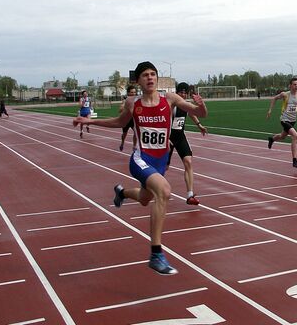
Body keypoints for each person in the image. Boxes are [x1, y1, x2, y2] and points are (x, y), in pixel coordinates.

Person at [73, 61, 207, 276]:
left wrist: (201, 106)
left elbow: (199, 113)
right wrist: (88, 121)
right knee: (163, 191)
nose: (150, 78)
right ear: (138, 80)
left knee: (146, 199)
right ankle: (156, 254)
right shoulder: (132, 103)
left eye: (153, 74)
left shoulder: (170, 99)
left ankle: (122, 192)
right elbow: (119, 122)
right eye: (145, 75)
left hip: (160, 160)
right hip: (140, 159)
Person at [166, 82, 208, 205]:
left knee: (188, 161)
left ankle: (190, 195)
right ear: (176, 93)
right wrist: (165, 137)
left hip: (180, 136)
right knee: (164, 167)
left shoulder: (186, 105)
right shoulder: (171, 105)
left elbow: (191, 113)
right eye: (181, 92)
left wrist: (199, 125)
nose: (183, 95)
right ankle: (152, 187)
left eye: (185, 93)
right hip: (168, 138)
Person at [266, 77, 297, 168]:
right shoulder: (285, 94)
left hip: (293, 121)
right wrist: (270, 111)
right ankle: (294, 160)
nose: (296, 86)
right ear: (290, 85)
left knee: (282, 136)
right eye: (294, 84)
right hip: (284, 119)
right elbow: (274, 99)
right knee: (295, 136)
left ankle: (272, 139)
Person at [119, 85, 138, 151]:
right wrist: (125, 106)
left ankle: (134, 146)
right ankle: (122, 143)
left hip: (133, 119)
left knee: (136, 132)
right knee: (124, 134)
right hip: (126, 120)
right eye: (132, 92)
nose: (133, 94)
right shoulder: (125, 101)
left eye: (134, 92)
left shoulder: (137, 100)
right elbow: (120, 110)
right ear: (128, 93)